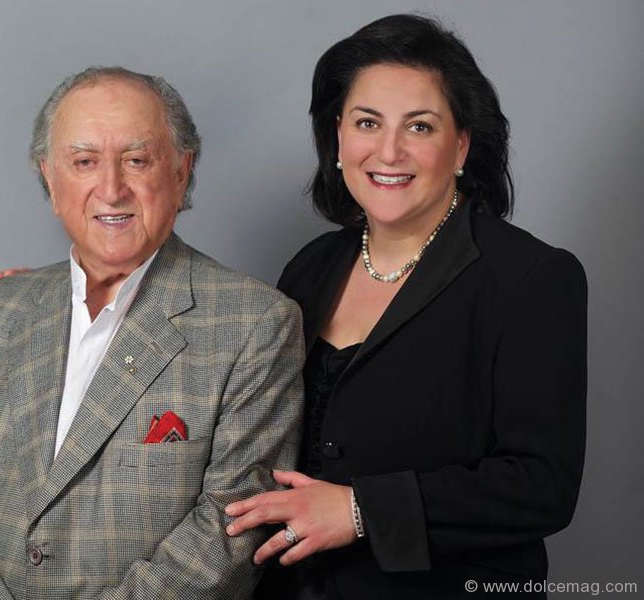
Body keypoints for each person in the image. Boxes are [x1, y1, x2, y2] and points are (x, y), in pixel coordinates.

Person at [0, 66, 305, 599]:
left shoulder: (255, 324)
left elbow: (229, 530)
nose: (112, 190)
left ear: (181, 171)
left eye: (137, 160)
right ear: (50, 179)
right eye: (84, 162)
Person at [225, 14, 587, 599]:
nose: (388, 151)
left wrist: (360, 510)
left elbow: (543, 485)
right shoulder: (311, 267)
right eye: (367, 122)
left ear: (461, 144)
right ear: (338, 136)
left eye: (419, 126)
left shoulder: (531, 278)